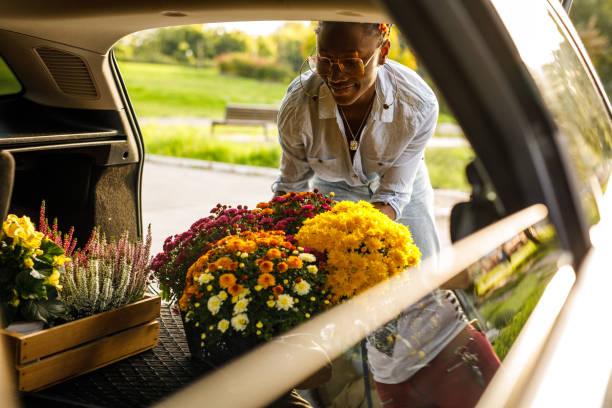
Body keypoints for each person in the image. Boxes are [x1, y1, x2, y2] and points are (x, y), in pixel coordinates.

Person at [273, 21, 500, 407]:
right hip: (332, 194)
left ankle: (451, 373)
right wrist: (282, 247)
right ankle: (368, 390)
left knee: (422, 288)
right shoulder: (298, 106)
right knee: (344, 303)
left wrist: (366, 251)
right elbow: (290, 188)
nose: (335, 75)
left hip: (400, 193)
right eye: (324, 60)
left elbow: (394, 192)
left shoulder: (418, 104)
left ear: (383, 52)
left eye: (351, 61)